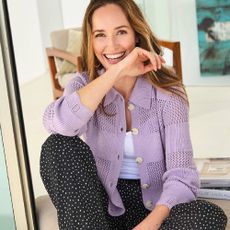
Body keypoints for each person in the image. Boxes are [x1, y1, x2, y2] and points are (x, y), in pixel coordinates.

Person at [40, 0, 227, 229]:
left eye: (121, 32)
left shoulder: (168, 93)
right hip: (99, 211)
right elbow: (57, 124)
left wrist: (151, 223)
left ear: (136, 34)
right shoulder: (84, 86)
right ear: (91, 41)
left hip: (154, 209)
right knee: (57, 146)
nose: (111, 45)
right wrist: (116, 71)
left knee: (207, 216)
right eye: (100, 35)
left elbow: (182, 174)